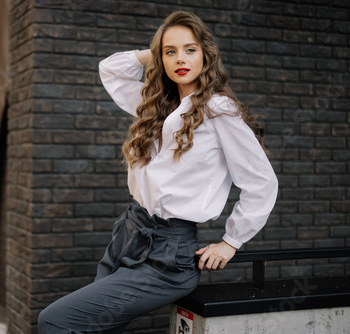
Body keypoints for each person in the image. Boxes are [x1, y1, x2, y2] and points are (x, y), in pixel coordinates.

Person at [38, 10, 278, 333]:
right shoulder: (155, 103)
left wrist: (231, 241)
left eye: (190, 49)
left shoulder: (219, 110)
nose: (180, 58)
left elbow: (261, 181)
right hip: (129, 234)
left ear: (206, 55)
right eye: (170, 51)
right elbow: (109, 70)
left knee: (55, 321)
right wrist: (151, 52)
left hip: (169, 256)